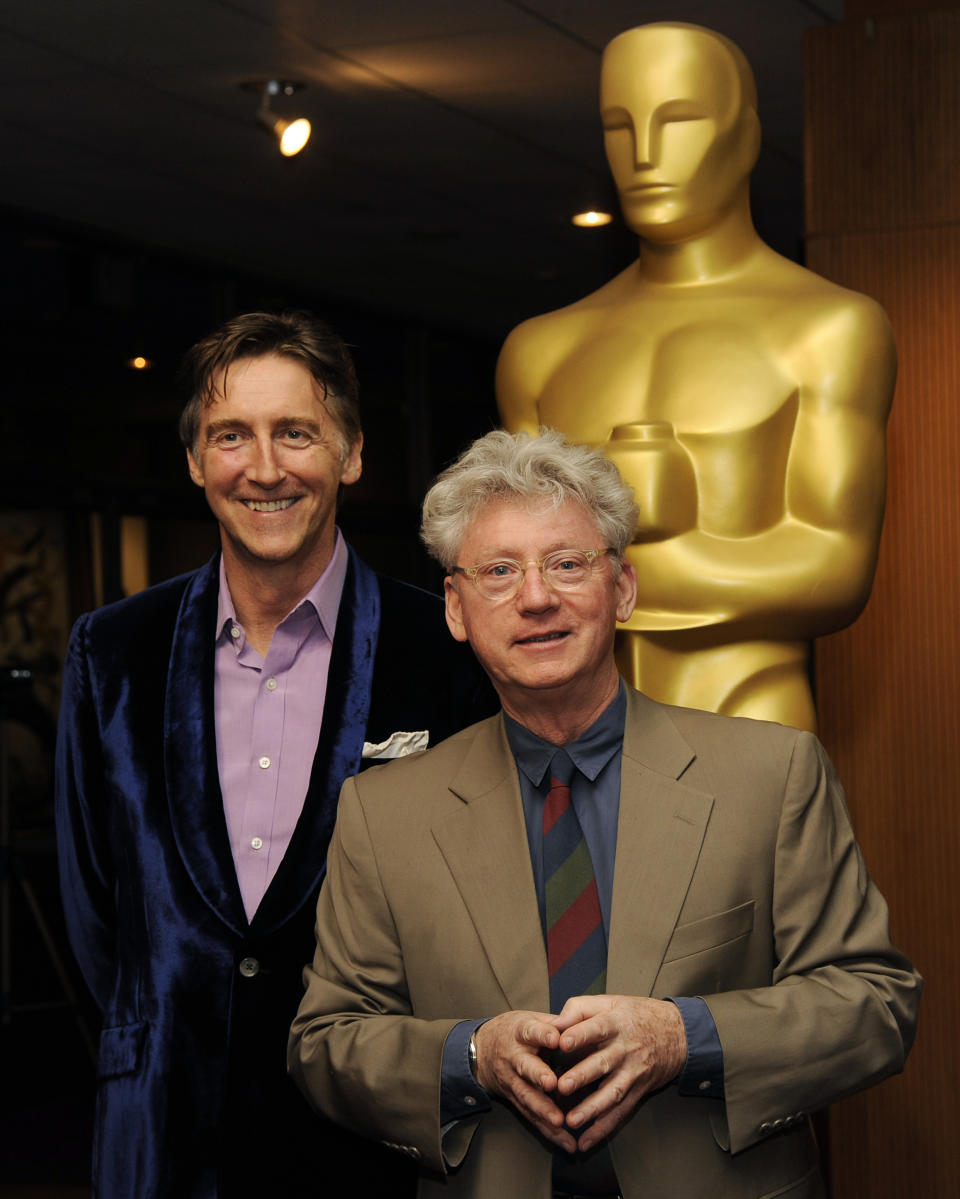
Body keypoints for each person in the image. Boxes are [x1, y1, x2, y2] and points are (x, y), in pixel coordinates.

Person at [288, 429, 920, 1199]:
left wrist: (684, 1038)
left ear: (623, 588)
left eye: (567, 563)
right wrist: (470, 1055)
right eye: (498, 571)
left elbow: (874, 1002)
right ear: (455, 608)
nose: (536, 596)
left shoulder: (772, 775)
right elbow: (326, 1041)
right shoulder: (384, 813)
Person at [54, 310, 496, 1198]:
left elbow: (481, 908)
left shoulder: (444, 647)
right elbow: (93, 916)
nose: (263, 468)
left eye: (295, 432)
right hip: (163, 1142)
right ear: (195, 461)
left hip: (377, 1145)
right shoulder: (113, 651)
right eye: (230, 436)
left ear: (352, 453)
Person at [496, 22, 897, 733]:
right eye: (620, 128)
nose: (644, 156)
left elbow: (834, 564)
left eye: (678, 121)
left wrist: (593, 569)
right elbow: (508, 567)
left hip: (748, 706)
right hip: (571, 729)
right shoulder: (542, 350)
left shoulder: (828, 329)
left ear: (744, 137)